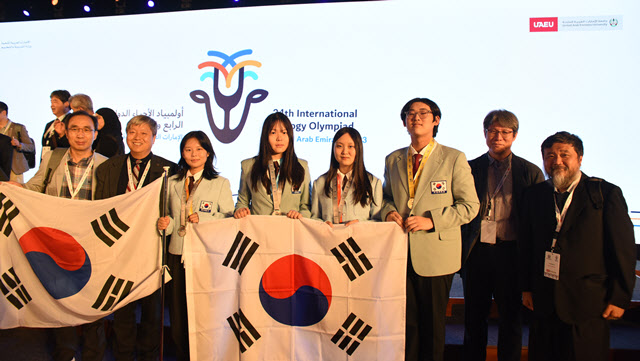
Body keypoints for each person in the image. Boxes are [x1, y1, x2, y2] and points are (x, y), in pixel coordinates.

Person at [520, 131, 636, 361]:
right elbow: (526, 245)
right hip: (544, 299)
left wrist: (619, 297)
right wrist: (526, 287)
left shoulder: (604, 193)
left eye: (565, 155)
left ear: (580, 158)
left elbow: (623, 250)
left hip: (588, 302)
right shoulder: (534, 195)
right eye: (550, 155)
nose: (557, 161)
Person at [381, 97, 479, 361]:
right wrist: (388, 212)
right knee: (407, 326)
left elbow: (470, 206)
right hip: (402, 255)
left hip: (436, 257)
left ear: (436, 120)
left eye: (424, 113)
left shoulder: (453, 158)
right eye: (410, 113)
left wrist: (432, 220)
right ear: (404, 122)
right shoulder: (393, 159)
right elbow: (386, 198)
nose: (416, 117)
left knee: (433, 328)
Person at [11, 111, 108, 361]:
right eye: (75, 128)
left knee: (93, 301)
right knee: (61, 297)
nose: (81, 134)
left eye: (87, 129)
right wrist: (14, 188)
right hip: (57, 244)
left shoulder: (106, 164)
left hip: (92, 244)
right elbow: (35, 187)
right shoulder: (53, 158)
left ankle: (92, 354)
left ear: (95, 134)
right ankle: (66, 353)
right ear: (66, 131)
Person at [460, 110, 544, 361]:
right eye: (493, 131)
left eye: (505, 132)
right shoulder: (470, 168)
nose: (498, 136)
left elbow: (536, 220)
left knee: (511, 319)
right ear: (485, 134)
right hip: (477, 253)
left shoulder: (528, 171)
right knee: (474, 319)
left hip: (512, 254)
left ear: (514, 136)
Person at [94, 115, 176, 361]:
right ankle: (122, 355)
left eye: (143, 134)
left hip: (152, 250)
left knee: (152, 312)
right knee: (122, 311)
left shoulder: (170, 170)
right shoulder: (109, 168)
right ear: (126, 135)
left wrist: (169, 222)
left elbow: (174, 209)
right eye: (132, 133)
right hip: (119, 250)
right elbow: (100, 207)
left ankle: (149, 356)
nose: (137, 138)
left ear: (154, 137)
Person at [157, 130, 234, 360]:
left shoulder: (220, 183)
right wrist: (166, 223)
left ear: (208, 153)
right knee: (178, 311)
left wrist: (206, 219)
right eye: (188, 149)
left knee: (203, 309)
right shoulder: (172, 182)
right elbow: (172, 218)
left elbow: (229, 218)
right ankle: (182, 353)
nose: (193, 154)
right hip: (177, 252)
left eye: (199, 149)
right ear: (182, 153)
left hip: (205, 256)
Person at [234, 112, 311, 219]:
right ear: (265, 136)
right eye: (273, 132)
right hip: (259, 231)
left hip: (291, 230)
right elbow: (242, 202)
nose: (279, 138)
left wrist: (300, 215)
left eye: (284, 132)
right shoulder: (248, 166)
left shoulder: (301, 166)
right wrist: (240, 210)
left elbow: (305, 205)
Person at [311, 127, 382, 225]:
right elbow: (314, 218)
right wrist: (322, 225)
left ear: (358, 149)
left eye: (350, 146)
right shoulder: (319, 182)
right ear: (333, 148)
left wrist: (361, 224)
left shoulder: (373, 182)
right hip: (328, 238)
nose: (345, 151)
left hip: (360, 239)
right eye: (339, 146)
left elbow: (378, 221)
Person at [0, 101, 35, 182]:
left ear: (4, 113)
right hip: (1, 168)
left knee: (14, 192)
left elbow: (30, 147)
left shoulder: (18, 128)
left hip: (14, 169)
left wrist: (19, 144)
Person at [42, 90, 71, 159]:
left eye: (55, 102)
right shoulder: (49, 124)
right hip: (47, 161)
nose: (52, 105)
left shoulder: (71, 121)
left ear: (66, 104)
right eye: (51, 102)